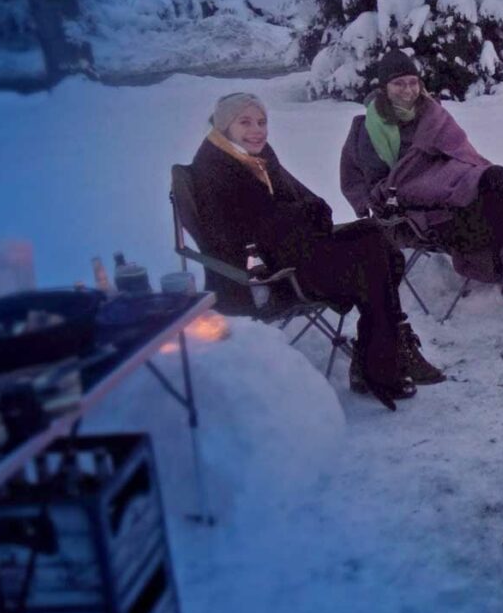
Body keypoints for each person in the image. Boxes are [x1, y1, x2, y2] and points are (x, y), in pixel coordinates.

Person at [188, 92, 445, 411]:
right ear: (225, 125)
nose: (257, 130)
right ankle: (382, 359)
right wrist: (310, 213)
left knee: (377, 238)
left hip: (292, 250)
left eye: (262, 121)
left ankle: (380, 353)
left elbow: (298, 203)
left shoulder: (253, 155)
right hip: (268, 277)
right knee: (371, 256)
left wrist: (310, 212)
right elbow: (259, 226)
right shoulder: (217, 169)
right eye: (245, 122)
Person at [339, 50, 503, 319]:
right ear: (384, 88)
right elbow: (358, 180)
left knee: (499, 180)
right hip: (410, 207)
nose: (408, 90)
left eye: (413, 82)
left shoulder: (431, 113)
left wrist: (454, 175)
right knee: (498, 193)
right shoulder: (367, 128)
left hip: (450, 188)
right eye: (399, 84)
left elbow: (461, 153)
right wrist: (373, 202)